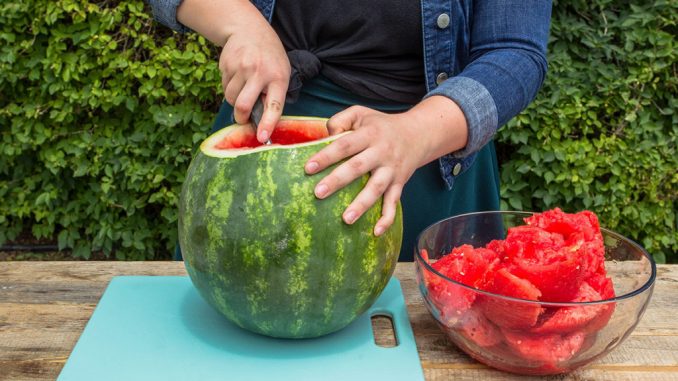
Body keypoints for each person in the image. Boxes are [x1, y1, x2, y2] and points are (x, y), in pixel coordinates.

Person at [148, 0, 552, 261]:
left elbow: (516, 52)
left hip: (430, 153)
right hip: (265, 134)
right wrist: (243, 26)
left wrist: (413, 133)